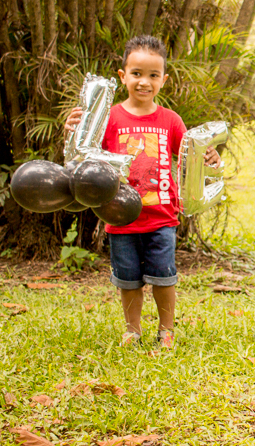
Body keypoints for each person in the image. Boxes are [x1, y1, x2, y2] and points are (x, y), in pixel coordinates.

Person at [64, 35, 221, 349]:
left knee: (164, 278)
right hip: (120, 217)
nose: (144, 82)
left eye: (152, 75)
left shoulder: (171, 121)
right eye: (136, 73)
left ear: (164, 79)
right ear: (123, 76)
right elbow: (80, 159)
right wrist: (73, 131)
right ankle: (132, 330)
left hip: (162, 217)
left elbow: (193, 157)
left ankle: (166, 330)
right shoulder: (108, 119)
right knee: (128, 280)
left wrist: (212, 159)